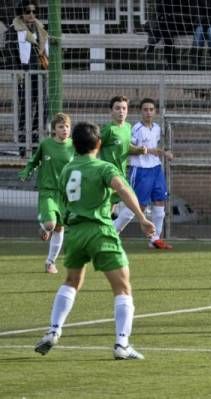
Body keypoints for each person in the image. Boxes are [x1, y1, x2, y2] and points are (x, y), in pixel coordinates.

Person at [34, 121, 156, 360]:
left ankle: (53, 330)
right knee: (122, 287)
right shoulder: (104, 167)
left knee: (71, 281)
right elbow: (122, 188)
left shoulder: (68, 170)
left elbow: (64, 201)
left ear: (74, 146)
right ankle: (122, 344)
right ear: (98, 144)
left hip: (75, 232)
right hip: (100, 231)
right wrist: (141, 218)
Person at [112, 98, 174, 250]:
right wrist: (156, 151)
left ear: (155, 112)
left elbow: (156, 145)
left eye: (151, 109)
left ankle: (155, 239)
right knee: (137, 206)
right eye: (145, 109)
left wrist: (162, 152)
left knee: (160, 202)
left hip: (156, 169)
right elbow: (129, 147)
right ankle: (111, 232)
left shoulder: (157, 128)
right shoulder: (136, 129)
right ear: (141, 112)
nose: (148, 112)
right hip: (140, 170)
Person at [18, 113, 74, 274]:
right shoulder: (46, 144)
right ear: (54, 129)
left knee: (59, 229)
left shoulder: (74, 146)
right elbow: (34, 161)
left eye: (67, 126)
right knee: (51, 224)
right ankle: (44, 226)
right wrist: (26, 171)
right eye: (61, 127)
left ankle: (50, 263)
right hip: (47, 191)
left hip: (65, 194)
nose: (64, 129)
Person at [5, 0, 49, 156]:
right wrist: (18, 74)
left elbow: (45, 50)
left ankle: (36, 139)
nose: (31, 14)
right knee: (24, 108)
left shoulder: (41, 28)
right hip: (24, 75)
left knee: (44, 105)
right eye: (27, 11)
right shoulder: (13, 30)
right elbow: (10, 55)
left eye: (34, 11)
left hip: (40, 73)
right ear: (21, 13)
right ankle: (23, 143)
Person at [99, 95, 147, 209]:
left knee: (113, 207)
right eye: (117, 108)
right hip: (109, 174)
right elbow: (94, 146)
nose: (121, 111)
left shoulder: (127, 127)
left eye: (124, 108)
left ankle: (112, 226)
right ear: (111, 111)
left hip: (122, 173)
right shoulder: (108, 130)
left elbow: (125, 146)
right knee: (131, 202)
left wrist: (138, 150)